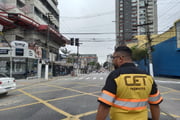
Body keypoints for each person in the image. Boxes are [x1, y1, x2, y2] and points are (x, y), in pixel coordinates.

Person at [96, 46, 163, 120]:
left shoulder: (115, 76)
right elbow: (155, 105)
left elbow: (104, 106)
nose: (113, 61)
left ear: (120, 58)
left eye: (113, 58)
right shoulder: (147, 76)